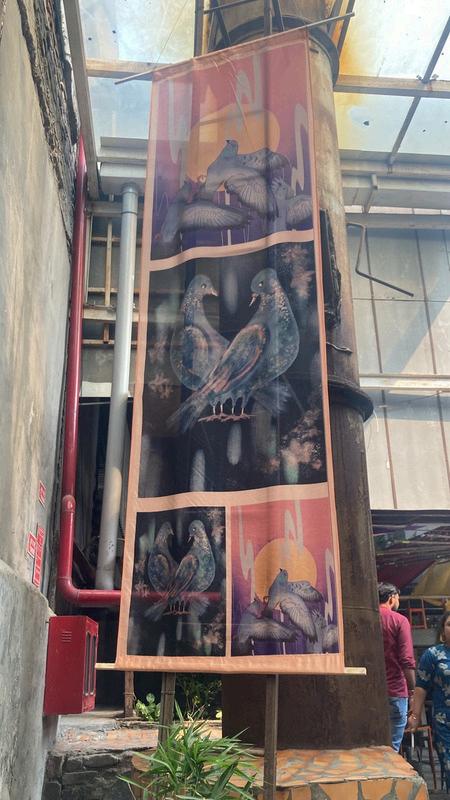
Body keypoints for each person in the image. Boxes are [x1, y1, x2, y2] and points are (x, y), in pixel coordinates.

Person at [408, 610, 450, 791]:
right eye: (449, 624)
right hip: (444, 722)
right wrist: (415, 716)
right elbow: (421, 688)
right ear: (442, 630)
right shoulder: (432, 655)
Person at [378, 582, 416, 751]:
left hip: (368, 692)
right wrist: (413, 690)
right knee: (391, 749)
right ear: (391, 598)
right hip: (395, 691)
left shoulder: (366, 619)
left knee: (371, 749)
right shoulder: (399, 620)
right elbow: (406, 659)